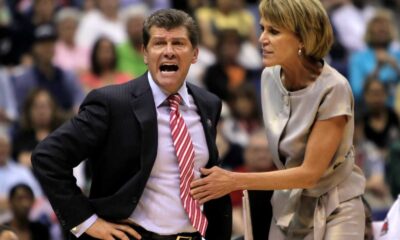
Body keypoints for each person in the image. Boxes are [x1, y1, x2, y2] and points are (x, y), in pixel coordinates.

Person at [31, 9, 232, 240]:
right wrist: (85, 222)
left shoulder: (209, 104)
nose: (168, 51)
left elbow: (206, 176)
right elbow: (47, 157)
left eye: (178, 43)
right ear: (145, 53)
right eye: (159, 43)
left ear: (195, 53)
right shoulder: (113, 103)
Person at [190, 0, 366, 239]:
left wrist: (233, 180)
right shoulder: (268, 77)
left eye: (273, 31)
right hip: (287, 206)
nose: (262, 38)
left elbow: (309, 174)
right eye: (262, 28)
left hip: (336, 207)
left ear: (303, 38)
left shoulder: (334, 88)